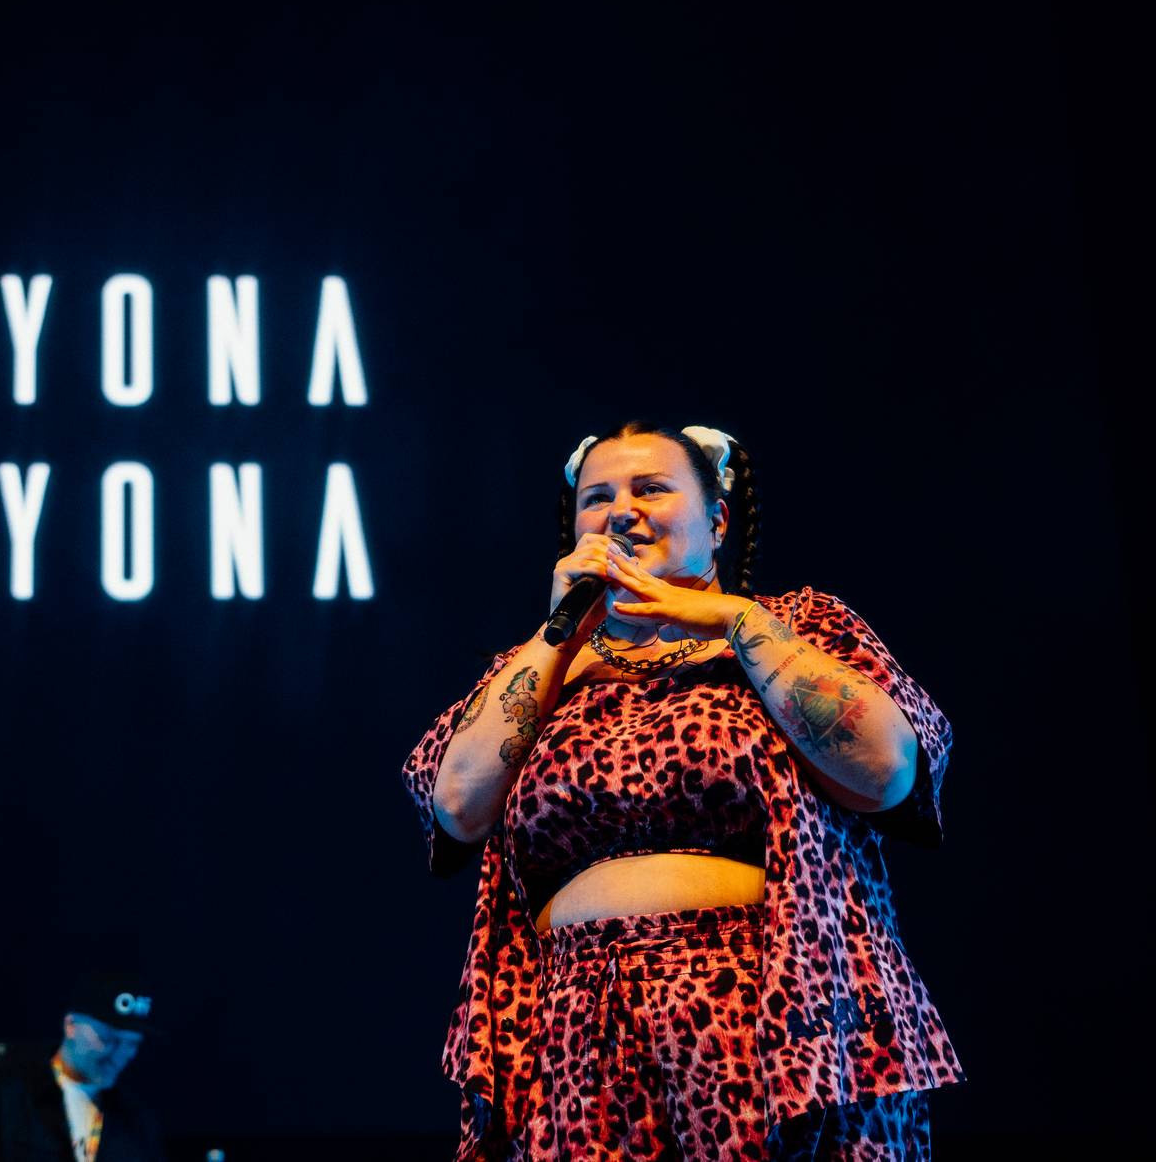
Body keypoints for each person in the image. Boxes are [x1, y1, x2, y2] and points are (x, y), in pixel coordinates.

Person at [402, 423, 966, 1160]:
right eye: (597, 497)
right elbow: (455, 805)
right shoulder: (539, 671)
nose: (622, 511)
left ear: (718, 520)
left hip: (767, 1010)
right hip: (575, 1026)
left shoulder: (798, 626)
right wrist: (556, 637)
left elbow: (887, 769)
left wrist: (733, 620)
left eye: (651, 488)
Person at [0, 974, 167, 1162]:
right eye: (108, 1039)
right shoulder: (8, 1092)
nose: (119, 1054)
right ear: (71, 1025)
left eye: (131, 1044)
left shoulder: (137, 1118)